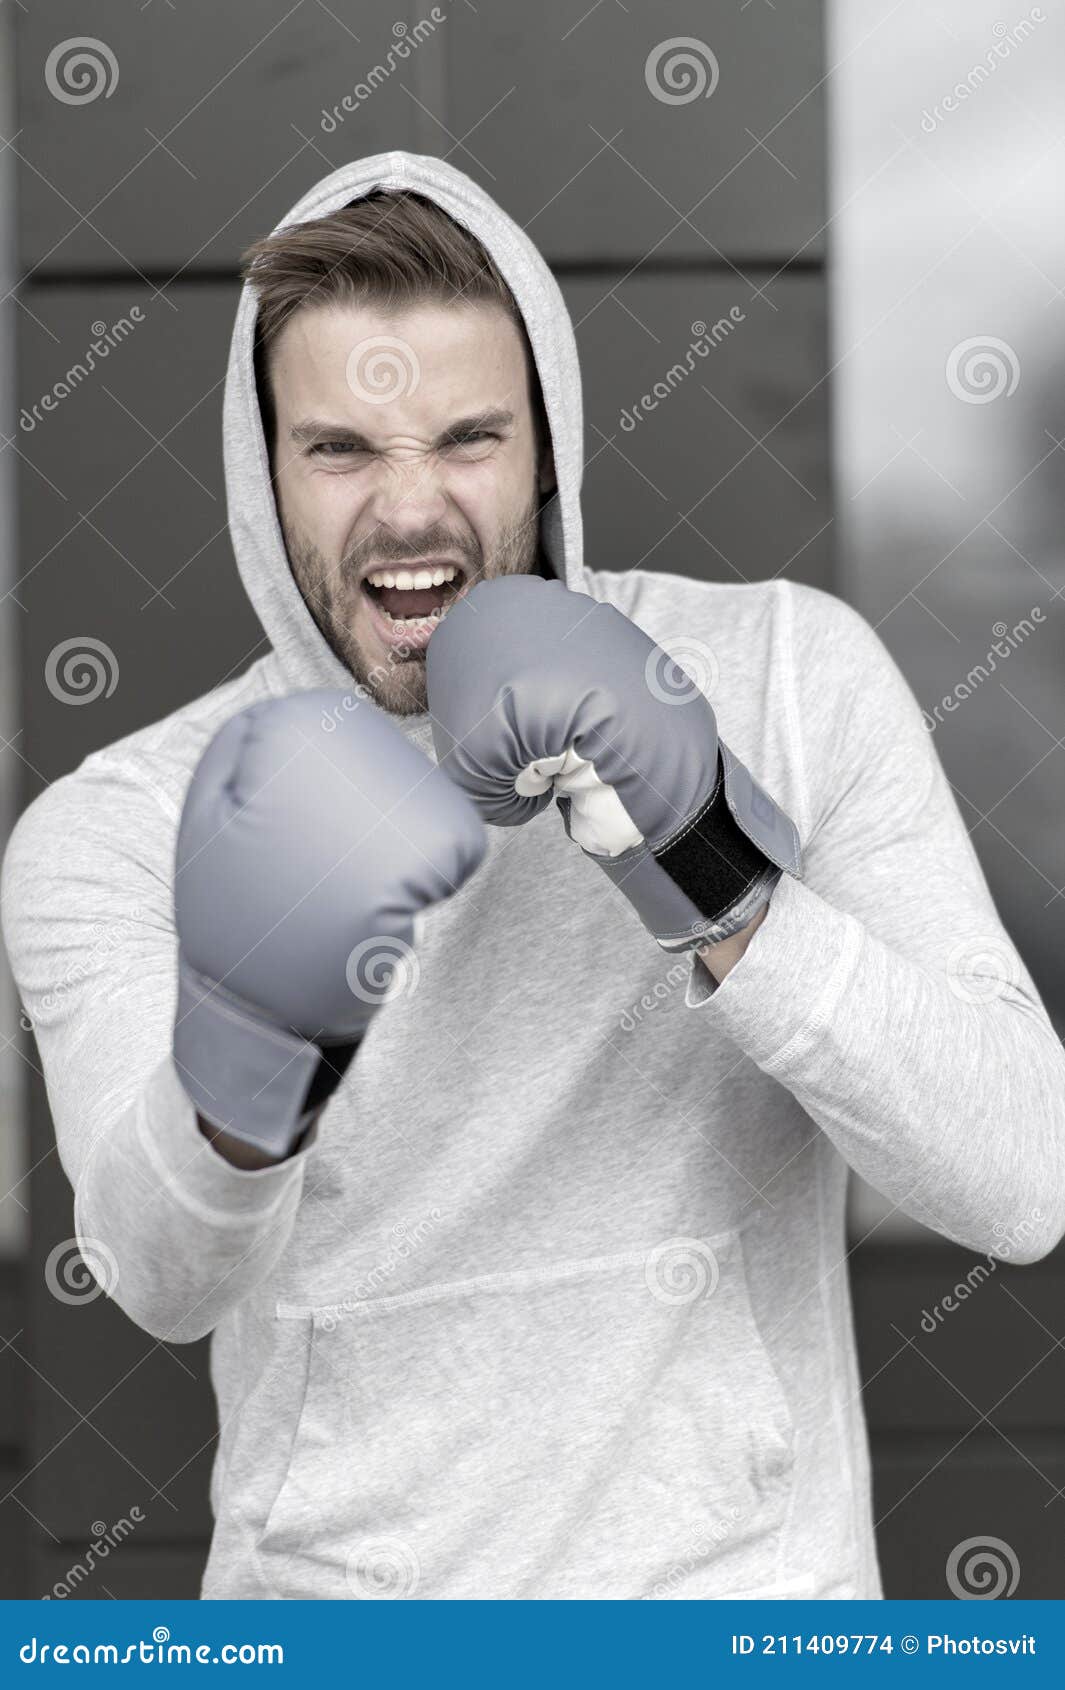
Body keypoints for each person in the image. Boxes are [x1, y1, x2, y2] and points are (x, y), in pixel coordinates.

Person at [2, 151, 1063, 1602]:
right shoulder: (118, 824)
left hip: (741, 1618)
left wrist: (711, 863)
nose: (410, 509)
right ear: (264, 471)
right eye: (340, 449)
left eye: (466, 437)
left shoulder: (784, 674)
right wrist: (249, 1044)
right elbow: (159, 1279)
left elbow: (1023, 1177)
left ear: (547, 443)